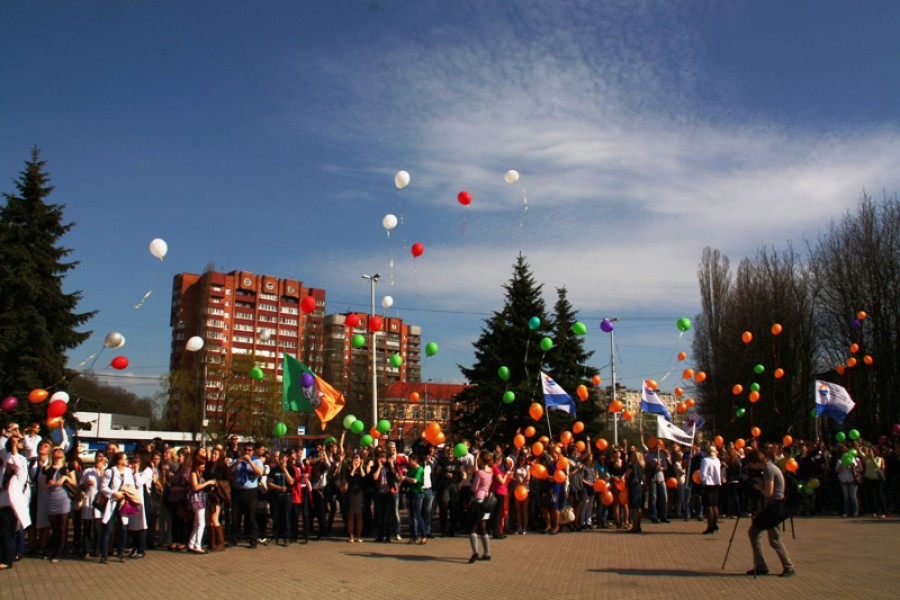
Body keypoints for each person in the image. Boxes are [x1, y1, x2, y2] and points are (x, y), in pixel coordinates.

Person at [744, 449, 795, 577]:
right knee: (757, 533)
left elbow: (769, 492)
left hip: (774, 506)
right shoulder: (770, 467)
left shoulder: (768, 469)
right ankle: (761, 565)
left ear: (755, 462)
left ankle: (787, 566)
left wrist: (759, 487)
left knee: (773, 539)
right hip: (774, 505)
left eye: (751, 464)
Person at [99, 451, 137, 564]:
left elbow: (131, 486)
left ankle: (120, 552)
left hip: (124, 502)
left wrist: (126, 495)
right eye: (125, 459)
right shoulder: (110, 472)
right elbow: (103, 487)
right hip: (113, 502)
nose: (127, 461)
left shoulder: (128, 472)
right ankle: (104, 554)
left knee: (123, 528)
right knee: (108, 529)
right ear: (119, 460)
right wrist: (114, 493)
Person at [1, 433, 31, 570]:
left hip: (10, 508)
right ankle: (4, 557)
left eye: (11, 464)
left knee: (8, 534)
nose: (9, 466)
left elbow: (18, 464)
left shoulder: (18, 477)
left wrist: (14, 447)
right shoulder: (3, 476)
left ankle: (8, 560)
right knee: (3, 534)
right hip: (2, 506)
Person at [42, 446, 76, 563]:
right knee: (55, 527)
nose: (59, 451)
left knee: (62, 527)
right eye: (56, 450)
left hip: (64, 498)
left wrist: (65, 478)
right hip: (52, 498)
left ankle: (60, 552)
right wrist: (49, 484)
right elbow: (43, 486)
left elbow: (75, 483)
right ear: (52, 453)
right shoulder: (48, 468)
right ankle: (55, 548)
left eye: (61, 450)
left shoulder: (67, 467)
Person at [229, 442, 264, 548]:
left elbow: (259, 472)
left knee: (251, 517)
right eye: (245, 449)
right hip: (237, 491)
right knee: (235, 517)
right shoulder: (237, 460)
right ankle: (233, 538)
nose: (247, 452)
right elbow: (230, 471)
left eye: (249, 450)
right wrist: (236, 463)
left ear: (253, 451)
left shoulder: (257, 461)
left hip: (250, 492)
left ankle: (252, 539)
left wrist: (250, 462)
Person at [466, 450, 495, 563]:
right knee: (482, 526)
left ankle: (475, 552)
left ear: (482, 460)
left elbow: (474, 488)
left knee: (472, 527)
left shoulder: (480, 473)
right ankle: (487, 552)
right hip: (487, 500)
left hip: (478, 499)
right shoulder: (490, 471)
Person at [79, 452, 107, 559]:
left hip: (100, 502)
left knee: (97, 528)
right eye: (98, 457)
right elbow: (81, 485)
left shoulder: (105, 471)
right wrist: (86, 484)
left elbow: (106, 483)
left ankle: (97, 549)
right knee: (86, 527)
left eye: (101, 456)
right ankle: (86, 550)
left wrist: (101, 470)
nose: (99, 459)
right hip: (88, 500)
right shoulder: (88, 471)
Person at [187, 454, 216, 553]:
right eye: (202, 465)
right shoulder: (193, 474)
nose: (204, 467)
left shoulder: (200, 474)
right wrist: (208, 483)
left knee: (197, 523)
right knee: (201, 523)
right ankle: (197, 545)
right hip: (196, 500)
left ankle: (191, 543)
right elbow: (196, 487)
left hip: (202, 499)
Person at [342, 452, 367, 543]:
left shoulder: (363, 468)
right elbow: (348, 479)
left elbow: (365, 479)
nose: (356, 459)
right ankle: (351, 535)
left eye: (358, 457)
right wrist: (354, 468)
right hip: (351, 494)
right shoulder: (348, 468)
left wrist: (360, 468)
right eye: (355, 458)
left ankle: (359, 536)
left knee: (359, 515)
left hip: (360, 494)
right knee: (351, 515)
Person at [402, 453, 426, 544]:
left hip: (417, 493)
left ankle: (424, 535)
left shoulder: (419, 469)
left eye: (410, 460)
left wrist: (405, 477)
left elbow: (415, 480)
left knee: (417, 514)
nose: (408, 462)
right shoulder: (411, 469)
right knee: (411, 515)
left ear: (414, 460)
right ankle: (413, 536)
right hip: (409, 493)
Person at [700, 446, 722, 534]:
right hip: (716, 483)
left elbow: (703, 474)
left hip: (708, 483)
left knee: (708, 506)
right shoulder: (717, 460)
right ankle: (715, 524)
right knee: (715, 505)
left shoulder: (706, 460)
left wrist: (702, 479)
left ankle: (710, 526)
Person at [624, 449, 645, 533]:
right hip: (640, 487)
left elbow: (626, 475)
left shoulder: (632, 466)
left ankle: (634, 526)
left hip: (633, 488)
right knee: (639, 508)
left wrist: (627, 479)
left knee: (634, 508)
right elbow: (643, 478)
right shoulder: (642, 466)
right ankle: (638, 525)